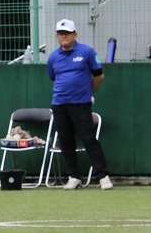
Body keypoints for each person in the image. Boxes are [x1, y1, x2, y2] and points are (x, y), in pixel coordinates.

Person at [47, 19, 113, 191]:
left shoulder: (87, 52)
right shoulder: (53, 57)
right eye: (61, 34)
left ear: (74, 34)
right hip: (59, 104)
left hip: (80, 104)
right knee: (66, 141)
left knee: (89, 139)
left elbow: (99, 76)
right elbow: (54, 78)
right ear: (57, 37)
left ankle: (103, 177)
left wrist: (88, 93)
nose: (64, 36)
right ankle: (74, 177)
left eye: (67, 33)